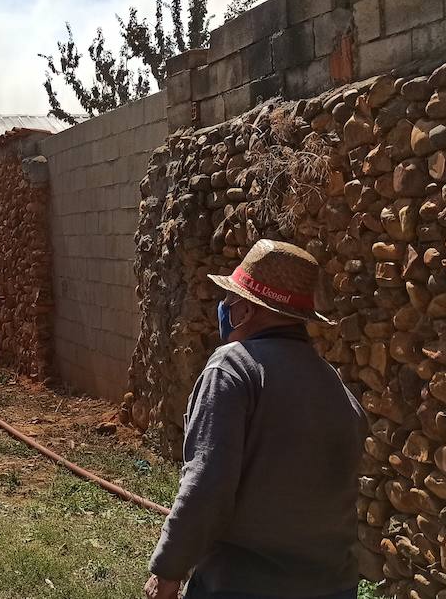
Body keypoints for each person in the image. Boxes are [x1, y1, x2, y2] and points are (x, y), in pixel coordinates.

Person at [144, 240, 366, 599]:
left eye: (230, 302)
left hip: (243, 586)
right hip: (333, 586)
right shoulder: (334, 385)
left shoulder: (233, 368)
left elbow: (206, 487)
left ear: (245, 311)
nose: (225, 309)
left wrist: (168, 571)